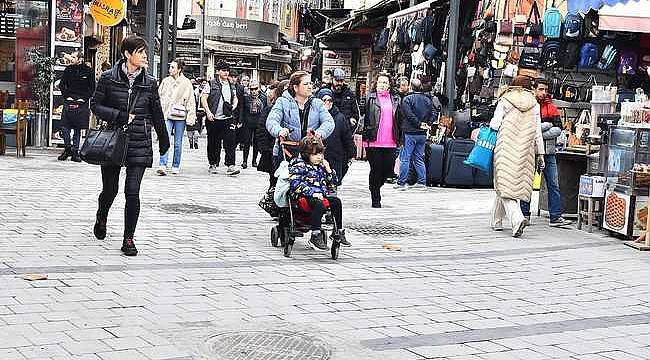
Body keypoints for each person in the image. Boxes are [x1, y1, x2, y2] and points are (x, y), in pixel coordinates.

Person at [90, 35, 170, 256]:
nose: (145, 55)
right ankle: (102, 215)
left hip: (139, 141)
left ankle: (128, 238)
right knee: (110, 190)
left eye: (146, 51)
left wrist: (164, 140)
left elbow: (157, 113)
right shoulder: (108, 78)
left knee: (132, 192)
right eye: (141, 51)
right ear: (127, 54)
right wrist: (120, 116)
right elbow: (95, 105)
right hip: (113, 140)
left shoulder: (150, 82)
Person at [490, 76, 545, 238]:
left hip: (505, 147)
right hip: (525, 150)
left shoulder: (505, 100)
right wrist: (540, 154)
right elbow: (538, 133)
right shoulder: (534, 104)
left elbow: (495, 124)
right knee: (508, 183)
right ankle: (497, 221)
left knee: (506, 186)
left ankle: (517, 219)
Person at [519, 79, 572, 227]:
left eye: (545, 90)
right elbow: (527, 128)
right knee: (527, 184)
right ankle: (524, 215)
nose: (544, 93)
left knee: (553, 184)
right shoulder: (528, 105)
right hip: (531, 151)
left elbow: (558, 129)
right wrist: (546, 126)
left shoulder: (551, 107)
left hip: (548, 152)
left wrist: (538, 132)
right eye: (541, 89)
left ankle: (555, 216)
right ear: (534, 89)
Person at [266, 71, 334, 168]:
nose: (310, 86)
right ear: (295, 87)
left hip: (310, 152)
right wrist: (279, 130)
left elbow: (329, 122)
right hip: (287, 151)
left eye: (310, 83)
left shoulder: (317, 103)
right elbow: (271, 121)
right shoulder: (282, 102)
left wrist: (320, 132)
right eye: (306, 84)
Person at [288, 137, 348, 249]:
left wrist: (329, 170)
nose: (319, 157)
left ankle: (338, 231)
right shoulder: (299, 165)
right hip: (304, 197)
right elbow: (295, 184)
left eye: (320, 154)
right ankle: (315, 235)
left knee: (336, 201)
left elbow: (334, 183)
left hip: (321, 196)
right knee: (318, 203)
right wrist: (312, 193)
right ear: (307, 155)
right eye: (315, 154)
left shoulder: (321, 167)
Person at [363, 73, 401, 208]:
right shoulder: (370, 98)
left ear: (389, 85)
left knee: (387, 170)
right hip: (373, 140)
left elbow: (399, 119)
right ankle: (375, 197)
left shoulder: (396, 99)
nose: (383, 85)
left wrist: (400, 138)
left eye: (385, 82)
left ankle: (375, 185)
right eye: (380, 82)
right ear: (376, 83)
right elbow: (364, 116)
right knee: (376, 169)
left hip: (390, 141)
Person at [157, 59, 196, 175]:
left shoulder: (186, 83)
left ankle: (175, 164)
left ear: (179, 69)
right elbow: (159, 96)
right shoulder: (165, 81)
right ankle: (162, 164)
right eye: (170, 67)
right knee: (165, 139)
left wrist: (190, 118)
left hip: (180, 116)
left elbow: (191, 101)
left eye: (173, 67)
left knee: (178, 142)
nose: (170, 69)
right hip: (167, 114)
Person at [200, 61, 240, 176]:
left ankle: (231, 165)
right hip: (213, 118)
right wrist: (208, 112)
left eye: (227, 70)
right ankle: (213, 164)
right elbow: (203, 98)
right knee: (213, 142)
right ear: (218, 71)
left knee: (230, 141)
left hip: (228, 118)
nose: (226, 72)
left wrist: (234, 106)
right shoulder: (211, 83)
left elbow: (235, 98)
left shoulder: (232, 85)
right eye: (223, 70)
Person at [58, 50, 95, 162]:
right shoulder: (68, 70)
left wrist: (83, 99)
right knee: (64, 127)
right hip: (69, 100)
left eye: (74, 57)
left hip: (81, 102)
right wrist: (66, 97)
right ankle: (67, 148)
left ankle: (75, 152)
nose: (71, 59)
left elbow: (92, 88)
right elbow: (61, 85)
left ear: (80, 59)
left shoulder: (88, 71)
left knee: (77, 129)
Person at [397, 78, 433, 190]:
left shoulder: (407, 99)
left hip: (410, 132)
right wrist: (427, 124)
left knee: (405, 158)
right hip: (422, 134)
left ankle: (401, 182)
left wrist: (418, 124)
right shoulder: (428, 100)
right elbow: (433, 113)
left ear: (411, 87)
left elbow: (409, 115)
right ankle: (422, 181)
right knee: (418, 158)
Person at [316, 88, 356, 185]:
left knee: (332, 187)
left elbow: (346, 137)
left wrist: (351, 153)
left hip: (335, 157)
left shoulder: (339, 117)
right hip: (316, 158)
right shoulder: (314, 116)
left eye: (330, 100)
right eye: (324, 100)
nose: (327, 102)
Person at [257, 80, 289, 188]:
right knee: (275, 181)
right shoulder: (271, 109)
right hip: (274, 151)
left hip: (292, 151)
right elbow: (262, 129)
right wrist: (265, 149)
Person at [242, 79, 267, 168]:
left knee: (256, 143)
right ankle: (244, 161)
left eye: (255, 89)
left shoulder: (263, 97)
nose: (253, 91)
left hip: (259, 123)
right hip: (248, 123)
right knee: (246, 142)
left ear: (259, 88)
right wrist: (241, 121)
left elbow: (266, 111)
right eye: (251, 89)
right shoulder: (246, 97)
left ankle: (254, 161)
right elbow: (242, 110)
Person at [188, 77, 207, 149]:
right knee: (197, 122)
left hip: (205, 109)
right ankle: (193, 140)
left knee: (202, 123)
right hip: (197, 109)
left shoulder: (207, 90)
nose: (204, 84)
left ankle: (197, 135)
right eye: (203, 83)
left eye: (205, 83)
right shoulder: (196, 91)